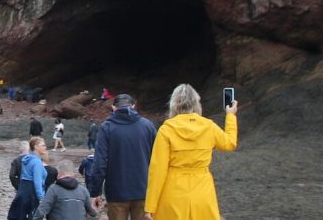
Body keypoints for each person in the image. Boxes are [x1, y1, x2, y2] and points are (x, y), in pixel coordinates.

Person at [144, 84, 237, 220]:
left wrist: (150, 207)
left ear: (174, 104)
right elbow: (229, 143)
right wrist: (230, 116)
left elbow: (157, 170)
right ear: (196, 103)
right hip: (203, 192)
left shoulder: (167, 130)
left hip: (173, 193)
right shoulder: (208, 126)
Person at [89, 93, 157, 220]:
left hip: (116, 192)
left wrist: (95, 192)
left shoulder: (107, 127)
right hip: (144, 190)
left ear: (114, 107)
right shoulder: (148, 126)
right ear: (134, 106)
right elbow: (157, 160)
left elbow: (99, 163)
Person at [33, 160, 99, 220]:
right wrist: (97, 212)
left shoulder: (53, 189)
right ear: (73, 174)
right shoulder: (83, 190)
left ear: (58, 174)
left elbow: (42, 210)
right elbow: (92, 212)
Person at [8, 137, 49, 220]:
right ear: (36, 147)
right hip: (32, 194)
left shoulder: (27, 159)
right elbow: (37, 182)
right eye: (43, 145)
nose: (45, 147)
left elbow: (23, 177)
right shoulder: (36, 162)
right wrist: (42, 198)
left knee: (20, 216)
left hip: (22, 192)